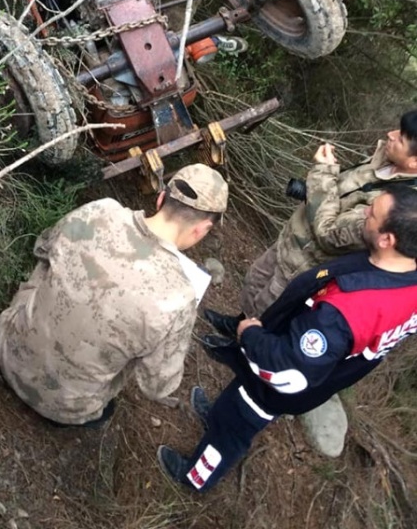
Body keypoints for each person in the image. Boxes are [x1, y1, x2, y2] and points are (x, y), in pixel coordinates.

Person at [157, 184, 417, 492]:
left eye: (371, 214)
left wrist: (250, 334)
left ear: (388, 239)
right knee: (234, 402)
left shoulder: (345, 314)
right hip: (292, 349)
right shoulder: (405, 276)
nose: (364, 214)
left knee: (234, 428)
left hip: (276, 383)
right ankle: (215, 415)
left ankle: (195, 477)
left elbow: (288, 370)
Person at [0, 163, 228, 427]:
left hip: (6, 347)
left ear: (161, 198)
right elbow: (157, 386)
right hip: (65, 408)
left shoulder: (100, 210)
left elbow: (43, 247)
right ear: (201, 229)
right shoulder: (179, 298)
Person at [207, 109, 417, 336]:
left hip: (305, 262)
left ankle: (241, 347)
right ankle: (237, 325)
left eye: (401, 138)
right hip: (293, 237)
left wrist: (323, 172)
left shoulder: (395, 208)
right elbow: (340, 195)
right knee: (254, 283)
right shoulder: (384, 161)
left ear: (415, 162)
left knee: (267, 308)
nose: (390, 134)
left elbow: (329, 234)